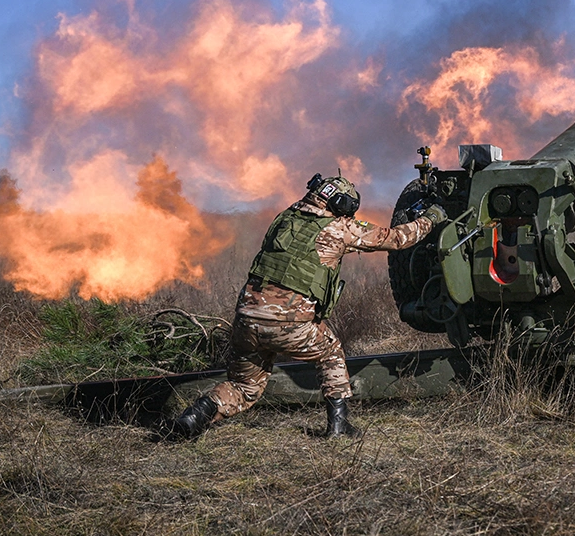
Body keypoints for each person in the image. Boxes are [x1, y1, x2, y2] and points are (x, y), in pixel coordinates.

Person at [170, 173, 445, 439]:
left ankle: (195, 416)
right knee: (331, 352)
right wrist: (432, 217)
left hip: (246, 319)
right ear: (342, 205)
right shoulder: (339, 228)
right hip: (289, 323)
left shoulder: (284, 218)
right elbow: (398, 238)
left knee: (244, 387)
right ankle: (339, 426)